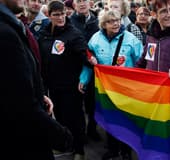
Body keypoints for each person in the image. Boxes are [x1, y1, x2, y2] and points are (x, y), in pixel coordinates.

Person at [0, 0, 73, 159]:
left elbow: (11, 83)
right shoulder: (5, 33)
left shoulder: (11, 26)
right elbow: (19, 104)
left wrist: (37, 92)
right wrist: (62, 136)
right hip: (22, 140)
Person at [80, 10, 143, 160]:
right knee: (110, 120)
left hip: (126, 89)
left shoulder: (131, 39)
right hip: (105, 89)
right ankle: (113, 149)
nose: (115, 23)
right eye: (110, 21)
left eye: (117, 20)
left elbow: (141, 61)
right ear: (103, 24)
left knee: (126, 121)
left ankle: (126, 151)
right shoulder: (95, 39)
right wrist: (83, 79)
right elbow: (90, 63)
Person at [37, 1, 89, 160]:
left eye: (63, 14)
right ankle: (66, 146)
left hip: (71, 87)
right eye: (56, 15)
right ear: (48, 15)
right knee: (59, 118)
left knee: (75, 118)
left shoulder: (74, 34)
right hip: (52, 86)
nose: (60, 18)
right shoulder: (44, 34)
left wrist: (90, 64)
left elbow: (86, 57)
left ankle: (79, 150)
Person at [70, 0, 100, 142]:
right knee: (75, 104)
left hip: (94, 69)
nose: (82, 4)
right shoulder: (69, 21)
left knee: (92, 103)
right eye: (78, 1)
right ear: (74, 4)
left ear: (91, 3)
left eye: (84, 0)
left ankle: (92, 130)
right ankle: (78, 134)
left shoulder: (98, 21)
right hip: (74, 69)